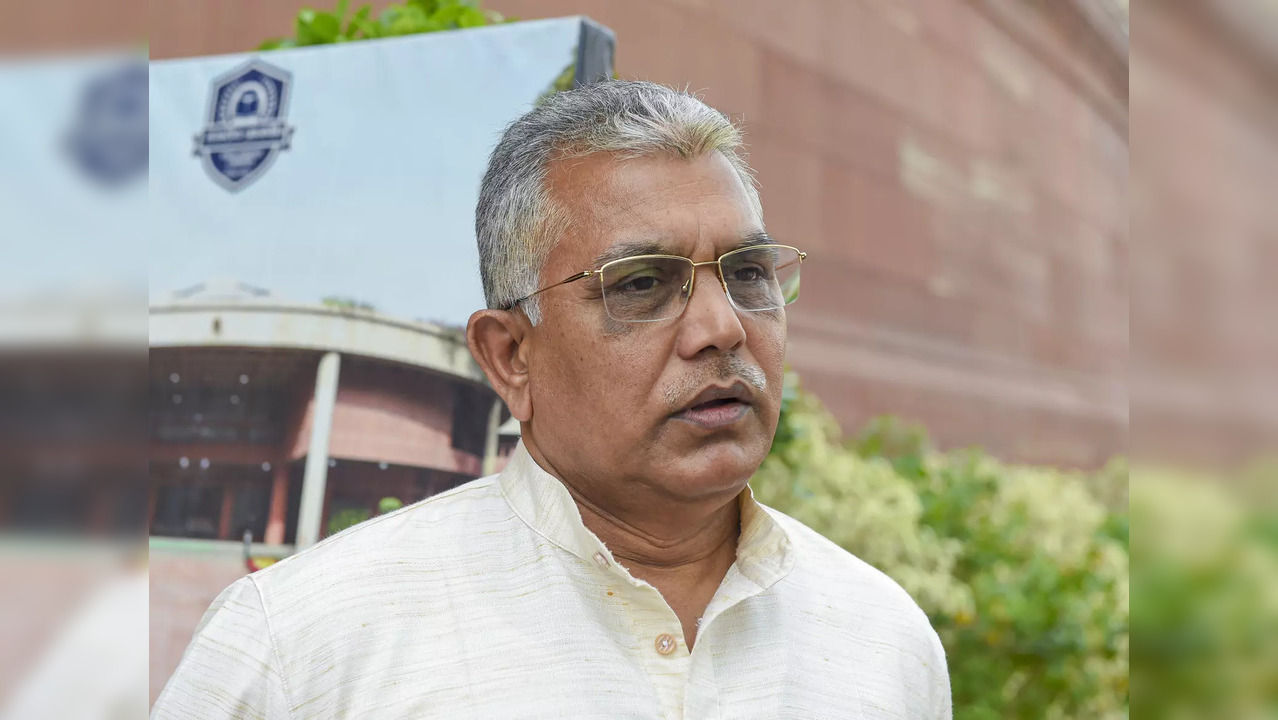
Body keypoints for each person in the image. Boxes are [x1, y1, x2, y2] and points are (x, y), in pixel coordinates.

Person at [151, 80, 951, 719]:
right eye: (642, 283)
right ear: (511, 356)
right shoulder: (303, 645)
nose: (721, 328)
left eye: (747, 274)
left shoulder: (880, 638)